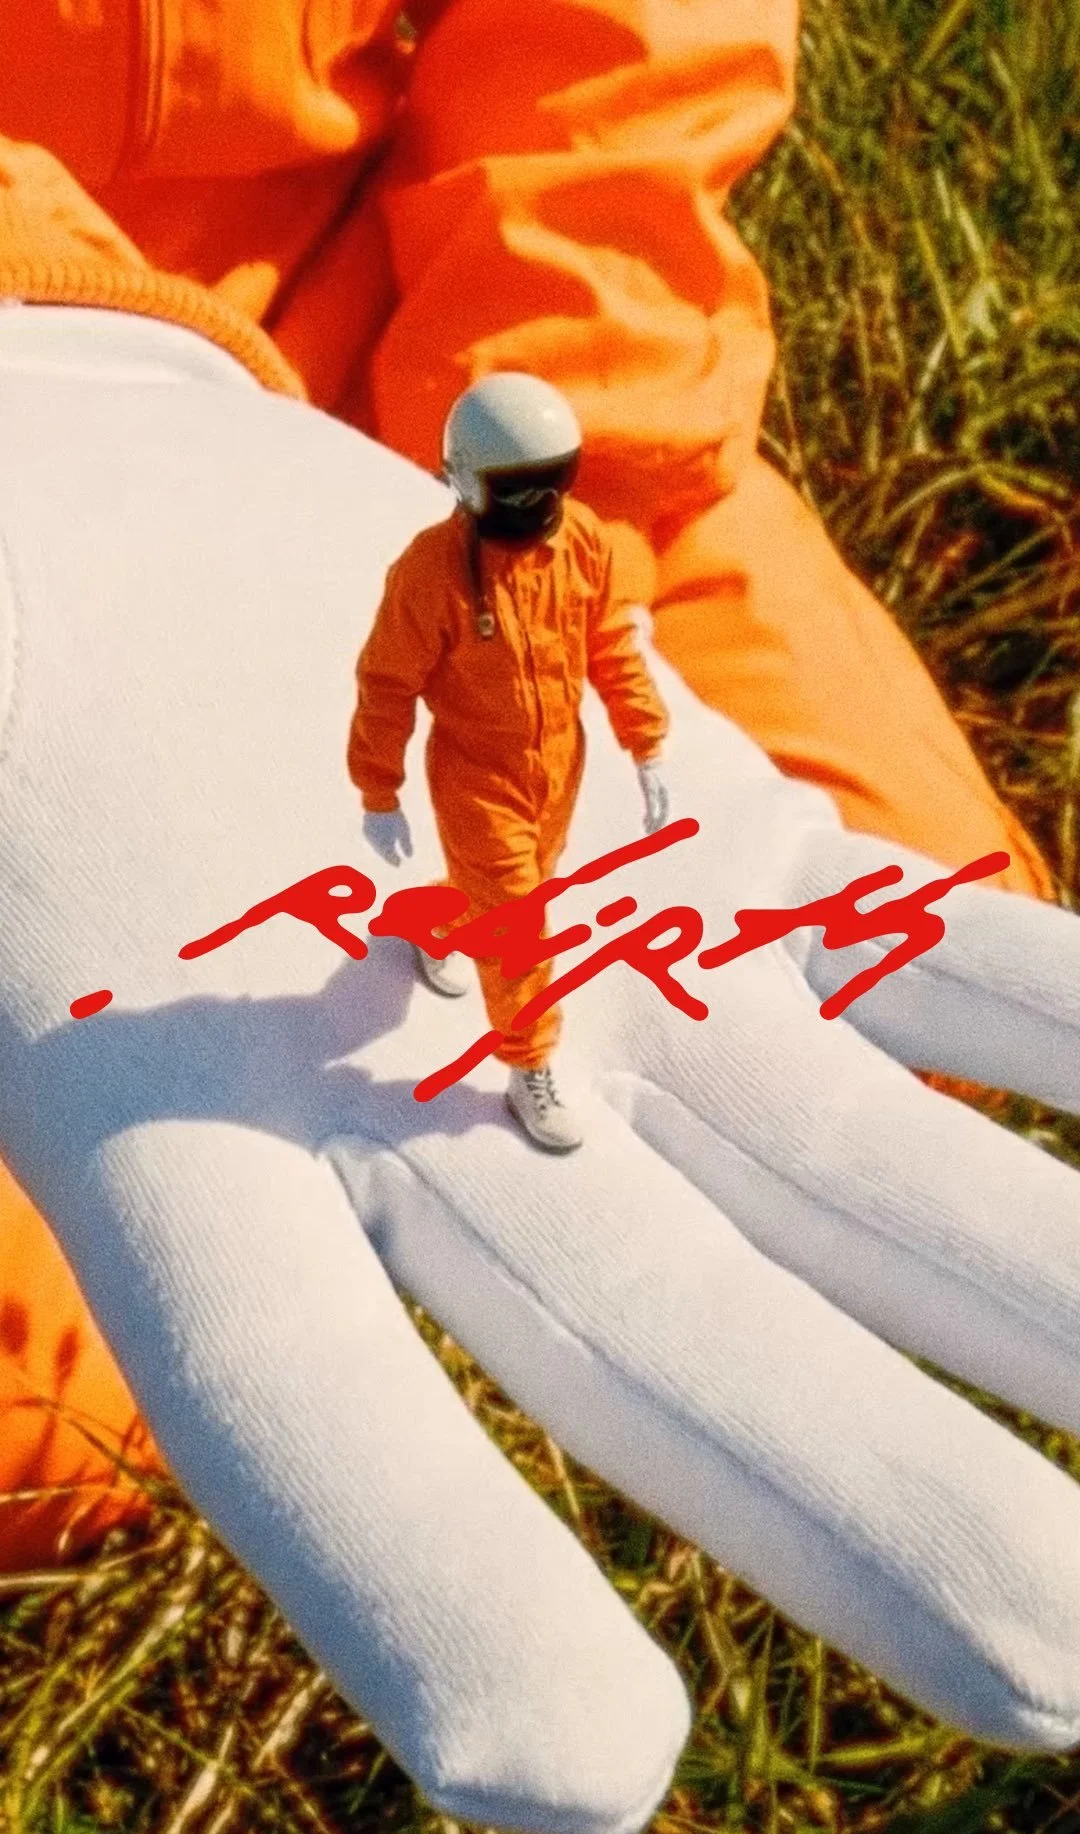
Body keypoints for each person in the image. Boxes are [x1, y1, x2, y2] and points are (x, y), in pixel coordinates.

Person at [0, 0, 1060, 1613]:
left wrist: (557, 499)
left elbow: (621, 57)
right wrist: (56, 376)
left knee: (891, 936)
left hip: (423, 324)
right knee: (53, 1383)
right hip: (47, 420)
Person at [348, 371, 670, 1150]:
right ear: (467, 483)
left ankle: (438, 925)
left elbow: (610, 644)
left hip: (558, 766)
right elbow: (388, 682)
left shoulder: (582, 541)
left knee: (509, 891)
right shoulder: (430, 574)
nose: (537, 506)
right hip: (476, 774)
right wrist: (378, 789)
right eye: (516, 491)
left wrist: (646, 741)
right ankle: (531, 1064)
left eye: (550, 484)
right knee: (519, 921)